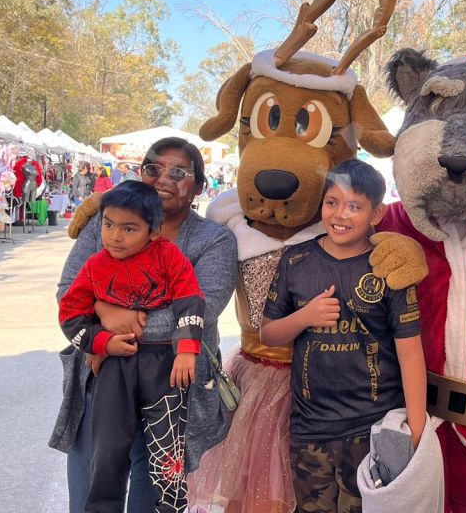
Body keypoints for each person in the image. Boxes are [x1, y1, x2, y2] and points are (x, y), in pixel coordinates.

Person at [51, 137, 237, 513]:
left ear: (199, 187)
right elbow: (68, 291)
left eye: (179, 172)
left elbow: (202, 309)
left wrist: (113, 317)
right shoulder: (106, 222)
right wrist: (102, 315)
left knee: (155, 493)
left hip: (173, 384)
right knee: (93, 482)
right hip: (102, 373)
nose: (163, 178)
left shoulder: (213, 240)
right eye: (153, 168)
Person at [261, 159, 426, 513]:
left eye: (354, 206)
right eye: (332, 202)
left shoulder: (389, 267)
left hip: (372, 429)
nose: (340, 214)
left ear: (377, 213)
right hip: (310, 429)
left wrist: (416, 432)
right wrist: (306, 316)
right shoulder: (296, 261)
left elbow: (411, 354)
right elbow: (269, 333)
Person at [59, 181, 205, 511]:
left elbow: (190, 299)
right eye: (108, 225)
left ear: (153, 232)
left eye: (129, 229)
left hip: (165, 365)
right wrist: (102, 342)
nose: (115, 236)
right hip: (114, 367)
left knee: (168, 453)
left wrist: (186, 349)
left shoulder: (169, 256)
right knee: (107, 449)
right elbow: (70, 313)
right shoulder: (95, 266)